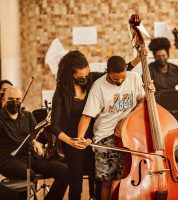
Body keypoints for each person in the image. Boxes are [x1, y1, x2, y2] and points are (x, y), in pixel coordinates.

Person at [51, 50, 142, 200]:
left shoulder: (92, 79)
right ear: (70, 75)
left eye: (87, 75)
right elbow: (55, 126)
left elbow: (117, 72)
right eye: (80, 77)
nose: (85, 79)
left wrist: (137, 60)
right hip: (73, 139)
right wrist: (71, 141)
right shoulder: (61, 92)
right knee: (76, 184)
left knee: (99, 178)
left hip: (94, 136)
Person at [77, 55, 155, 200]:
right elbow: (87, 115)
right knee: (106, 180)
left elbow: (140, 102)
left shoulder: (135, 77)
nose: (120, 81)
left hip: (130, 134)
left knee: (126, 178)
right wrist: (80, 137)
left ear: (126, 70)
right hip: (106, 136)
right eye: (115, 79)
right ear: (107, 72)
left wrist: (149, 94)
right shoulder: (98, 87)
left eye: (123, 78)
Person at [0, 87, 68, 200]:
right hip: (9, 160)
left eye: (18, 99)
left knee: (64, 170)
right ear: (3, 99)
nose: (15, 102)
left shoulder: (27, 116)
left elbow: (34, 136)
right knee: (28, 174)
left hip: (31, 157)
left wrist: (36, 144)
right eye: (10, 99)